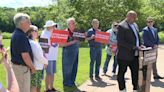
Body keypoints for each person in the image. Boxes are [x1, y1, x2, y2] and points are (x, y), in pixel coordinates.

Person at [117, 11, 144, 92]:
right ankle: (123, 90)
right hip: (124, 56)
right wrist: (134, 47)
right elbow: (120, 42)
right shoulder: (121, 26)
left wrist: (141, 44)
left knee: (135, 74)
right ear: (129, 16)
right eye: (134, 18)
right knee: (121, 74)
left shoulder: (135, 25)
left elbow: (137, 37)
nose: (135, 20)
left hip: (135, 56)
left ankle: (135, 89)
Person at [10, 13, 36, 92]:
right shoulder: (21, 36)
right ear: (21, 23)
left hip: (18, 68)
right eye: (28, 22)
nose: (30, 24)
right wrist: (32, 67)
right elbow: (25, 56)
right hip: (21, 69)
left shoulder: (17, 34)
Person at [26, 25, 48, 92]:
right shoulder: (32, 43)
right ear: (30, 32)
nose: (37, 33)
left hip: (38, 67)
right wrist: (46, 62)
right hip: (36, 68)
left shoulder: (34, 42)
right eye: (35, 31)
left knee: (38, 86)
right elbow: (38, 56)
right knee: (34, 86)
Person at [40, 20, 59, 92]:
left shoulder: (54, 32)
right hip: (48, 57)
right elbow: (43, 47)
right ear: (49, 27)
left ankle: (51, 87)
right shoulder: (44, 34)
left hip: (54, 56)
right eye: (53, 26)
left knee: (52, 73)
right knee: (48, 73)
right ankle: (47, 88)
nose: (54, 27)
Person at [61, 18, 79, 87]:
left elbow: (83, 40)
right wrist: (73, 42)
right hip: (67, 53)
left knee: (74, 67)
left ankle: (72, 81)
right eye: (73, 23)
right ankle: (66, 83)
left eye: (74, 23)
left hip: (75, 52)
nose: (75, 24)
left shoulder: (76, 32)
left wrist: (84, 36)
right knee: (67, 68)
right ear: (68, 24)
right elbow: (62, 44)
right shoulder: (65, 32)